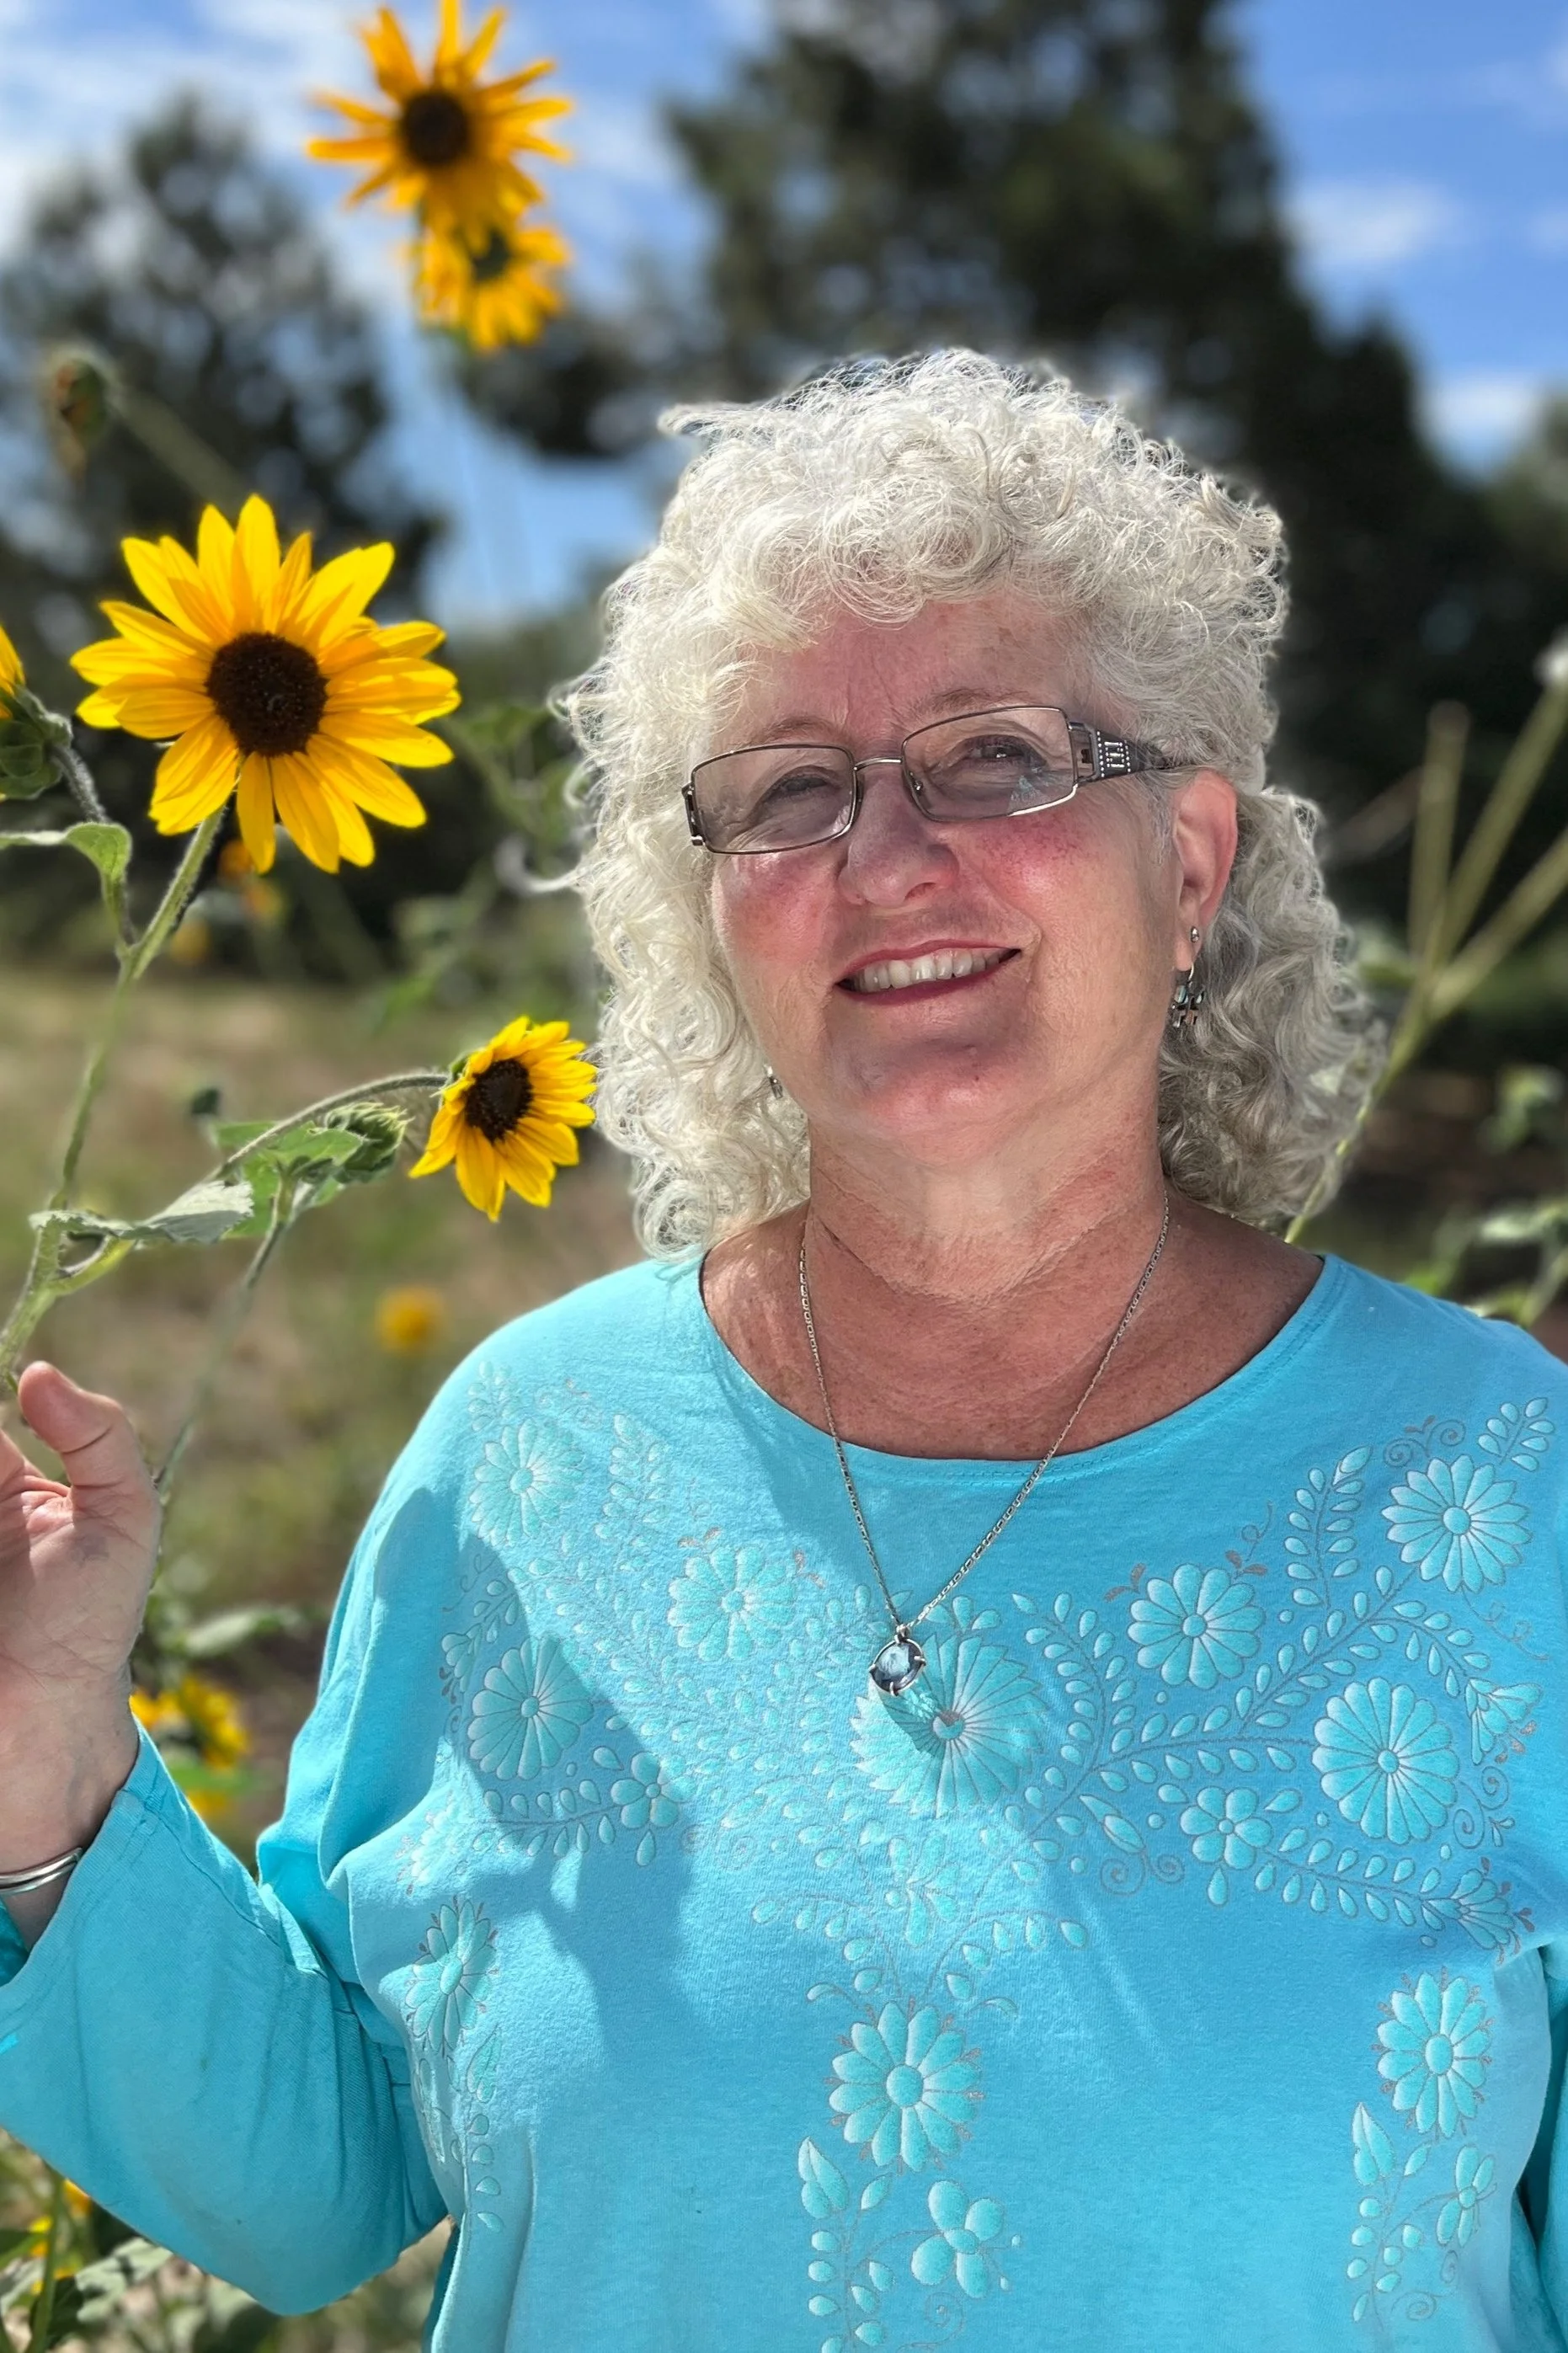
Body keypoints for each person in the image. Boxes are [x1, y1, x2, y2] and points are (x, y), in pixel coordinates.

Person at [3, 350, 1565, 2353]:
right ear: (707, 916)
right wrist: (41, 1756)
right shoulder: (532, 1455)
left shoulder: (1499, 1484)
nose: (888, 855)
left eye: (995, 755)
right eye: (790, 791)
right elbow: (317, 2179)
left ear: (1189, 860)